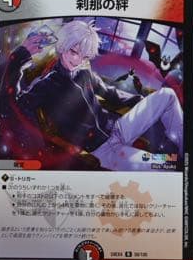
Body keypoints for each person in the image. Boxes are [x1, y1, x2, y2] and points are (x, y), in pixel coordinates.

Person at [15, 20, 182, 171]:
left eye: (85, 56)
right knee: (167, 163)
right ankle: (182, 160)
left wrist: (140, 100)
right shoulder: (46, 85)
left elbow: (109, 93)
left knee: (167, 94)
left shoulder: (84, 73)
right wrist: (20, 57)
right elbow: (17, 104)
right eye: (74, 52)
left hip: (117, 128)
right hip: (102, 150)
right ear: (62, 46)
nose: (78, 61)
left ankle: (185, 147)